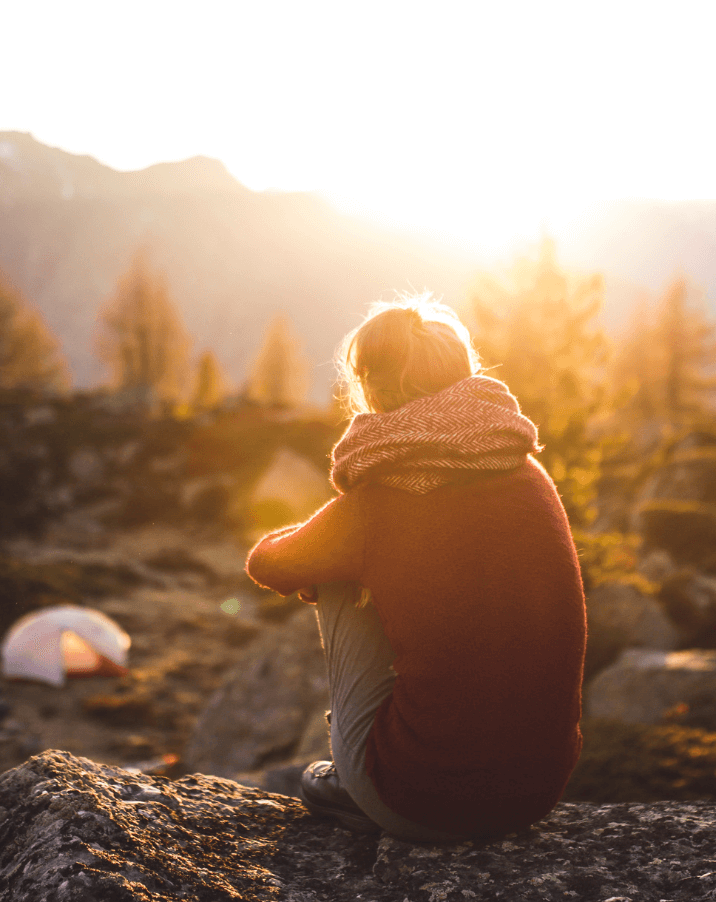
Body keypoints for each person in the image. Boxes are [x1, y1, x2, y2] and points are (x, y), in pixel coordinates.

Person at [245, 296, 586, 841]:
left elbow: (269, 563)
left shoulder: (379, 499)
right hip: (536, 795)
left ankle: (355, 773)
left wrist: (339, 551)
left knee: (335, 570)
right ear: (463, 374)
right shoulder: (528, 472)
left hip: (418, 802)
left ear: (374, 391)